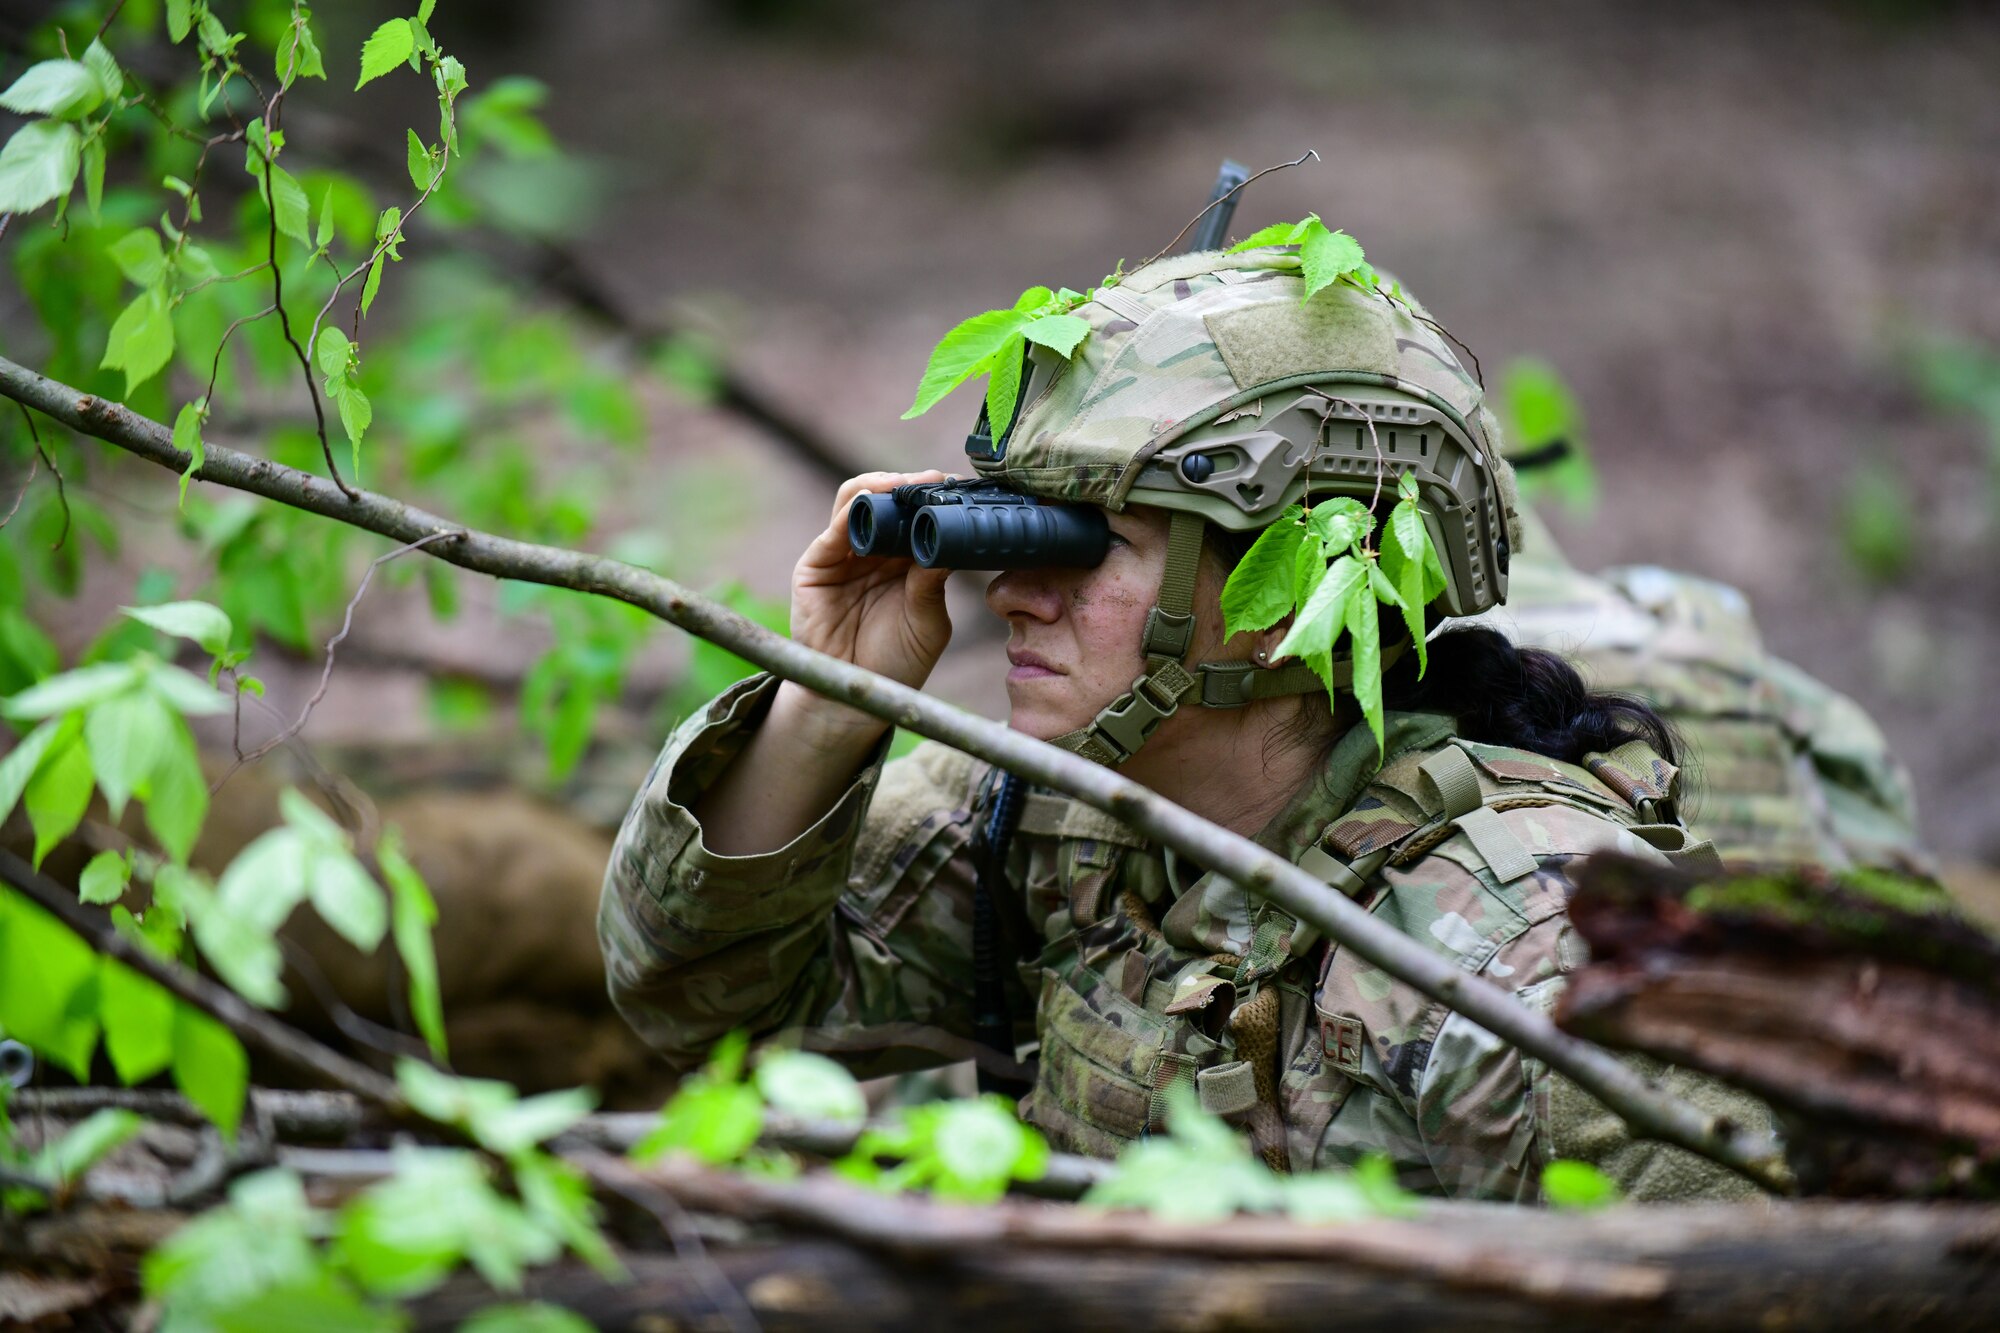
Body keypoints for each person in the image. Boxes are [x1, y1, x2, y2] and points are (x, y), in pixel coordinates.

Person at [599, 245, 1773, 1202]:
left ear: (1295, 595)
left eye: (1088, 540)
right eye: (1018, 529)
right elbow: (705, 1005)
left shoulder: (1533, 950)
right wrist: (828, 696)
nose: (1011, 591)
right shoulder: (1062, 813)